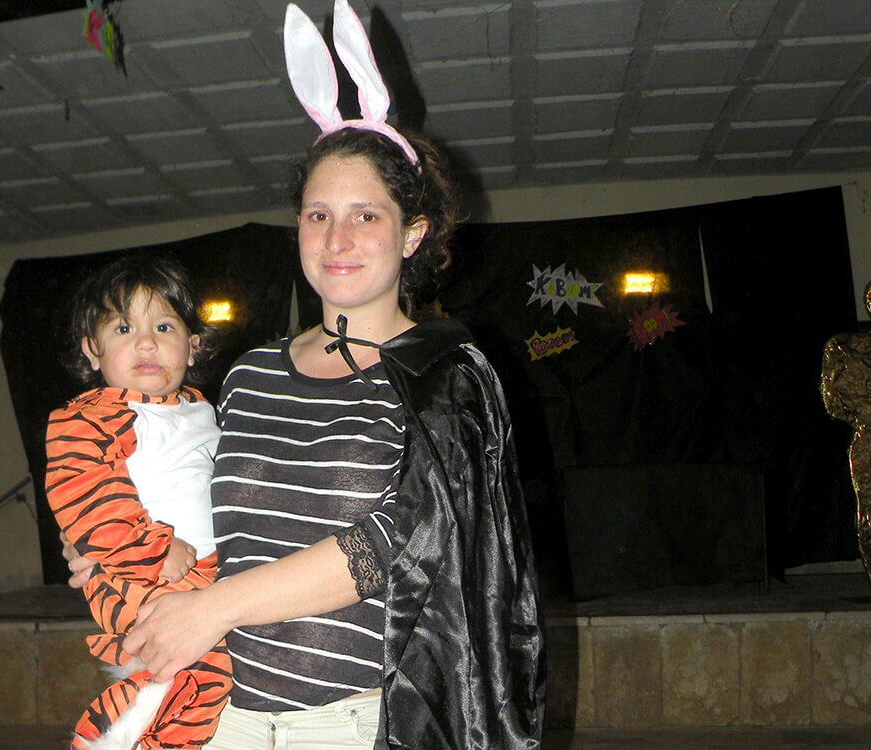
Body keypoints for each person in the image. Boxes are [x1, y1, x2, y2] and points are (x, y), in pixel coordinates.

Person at [65, 2, 545, 747]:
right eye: (318, 215)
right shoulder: (249, 375)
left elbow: (397, 541)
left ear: (413, 234)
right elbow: (201, 508)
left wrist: (214, 608)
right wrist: (117, 549)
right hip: (219, 716)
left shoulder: (446, 376)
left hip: (351, 723)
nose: (337, 238)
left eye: (366, 215)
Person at [45, 254, 232, 750]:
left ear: (192, 347)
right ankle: (106, 738)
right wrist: (152, 550)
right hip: (143, 571)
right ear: (92, 349)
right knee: (181, 669)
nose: (146, 343)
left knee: (203, 682)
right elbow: (82, 495)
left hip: (209, 578)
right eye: (124, 328)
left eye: (164, 327)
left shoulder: (202, 409)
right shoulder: (88, 416)